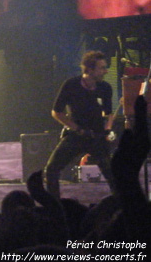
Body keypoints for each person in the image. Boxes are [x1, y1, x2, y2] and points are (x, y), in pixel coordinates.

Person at [45, 51, 115, 198]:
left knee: (114, 175)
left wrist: (108, 128)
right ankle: (55, 207)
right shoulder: (71, 85)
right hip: (76, 135)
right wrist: (77, 129)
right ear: (89, 69)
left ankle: (122, 208)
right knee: (51, 169)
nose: (106, 71)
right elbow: (56, 112)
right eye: (101, 68)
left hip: (97, 136)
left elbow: (109, 113)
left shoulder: (105, 88)